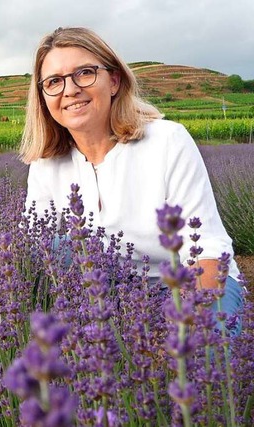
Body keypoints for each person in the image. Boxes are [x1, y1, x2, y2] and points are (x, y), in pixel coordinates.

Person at [18, 27, 244, 332]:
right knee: (50, 244)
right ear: (43, 97)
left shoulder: (167, 141)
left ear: (114, 81)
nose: (70, 90)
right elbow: (32, 243)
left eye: (84, 73)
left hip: (188, 278)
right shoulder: (46, 163)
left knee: (204, 358)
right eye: (54, 82)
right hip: (112, 288)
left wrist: (185, 324)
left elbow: (207, 249)